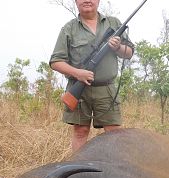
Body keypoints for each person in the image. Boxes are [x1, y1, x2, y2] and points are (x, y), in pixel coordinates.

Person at [50, 0, 134, 152]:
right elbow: (56, 62)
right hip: (79, 90)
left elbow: (128, 53)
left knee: (114, 132)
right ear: (76, 1)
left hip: (106, 89)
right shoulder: (69, 28)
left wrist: (118, 47)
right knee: (80, 131)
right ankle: (77, 172)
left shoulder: (113, 23)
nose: (87, 0)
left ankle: (113, 171)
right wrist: (78, 73)